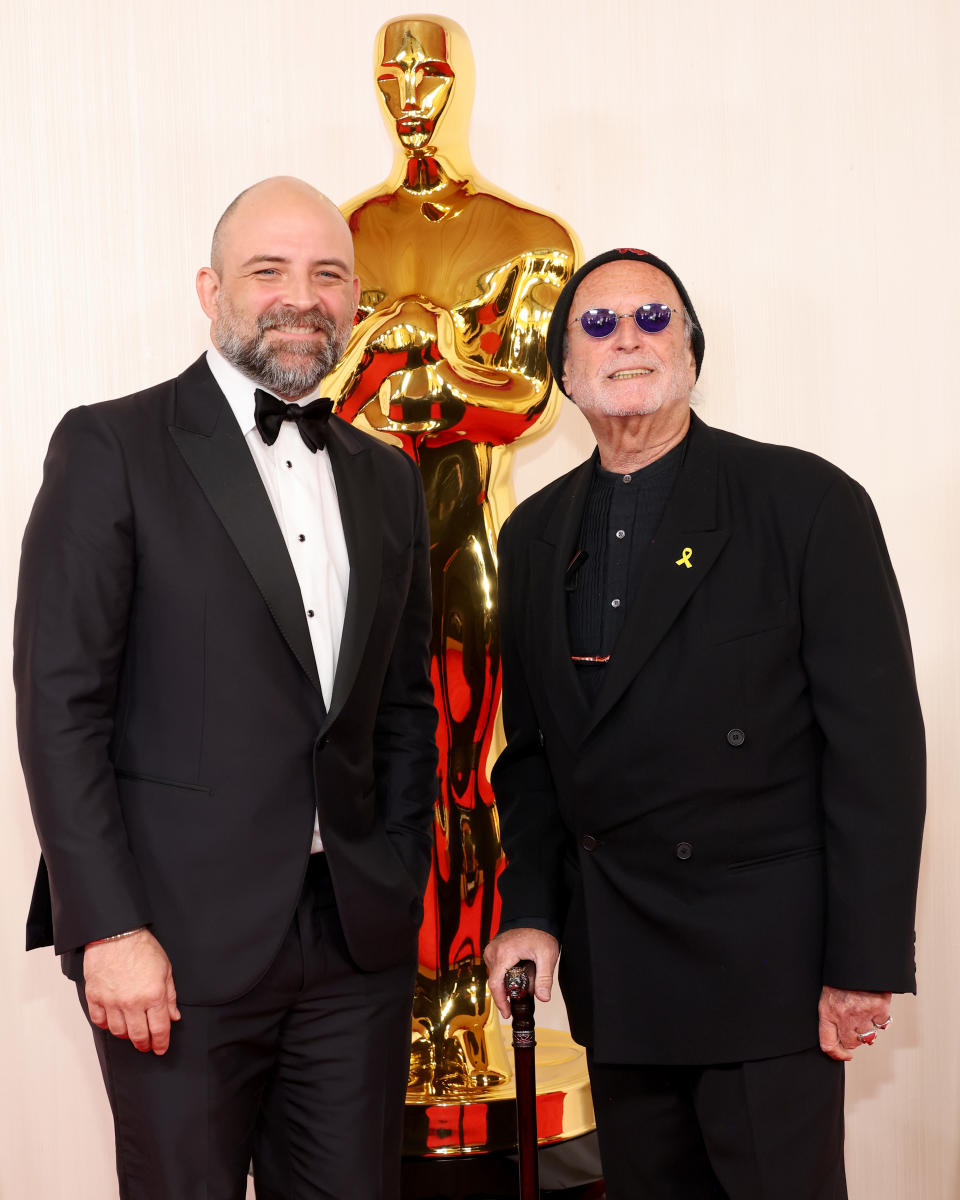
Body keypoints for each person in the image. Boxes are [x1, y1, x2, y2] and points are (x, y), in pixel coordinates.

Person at [15, 176, 438, 1200]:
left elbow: (403, 706)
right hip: (172, 944)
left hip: (352, 946)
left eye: (329, 274)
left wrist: (394, 867)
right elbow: (59, 705)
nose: (304, 296)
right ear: (211, 289)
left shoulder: (389, 478)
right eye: (269, 271)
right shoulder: (111, 446)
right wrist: (109, 929)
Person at [483, 247, 925, 1198]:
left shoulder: (806, 505)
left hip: (768, 974)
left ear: (692, 350)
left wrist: (863, 964)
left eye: (653, 317)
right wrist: (528, 913)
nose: (627, 338)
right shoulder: (529, 538)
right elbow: (534, 759)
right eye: (597, 325)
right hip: (621, 967)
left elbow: (878, 756)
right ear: (564, 369)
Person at [323, 14, 579, 1095]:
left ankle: (470, 996)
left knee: (471, 770)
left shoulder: (529, 237)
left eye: (429, 68)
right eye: (393, 71)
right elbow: (310, 402)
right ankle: (405, 995)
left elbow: (525, 400)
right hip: (355, 545)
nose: (410, 88)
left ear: (461, 79)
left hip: (469, 532)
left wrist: (433, 346)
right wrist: (393, 344)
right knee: (378, 776)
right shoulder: (342, 231)